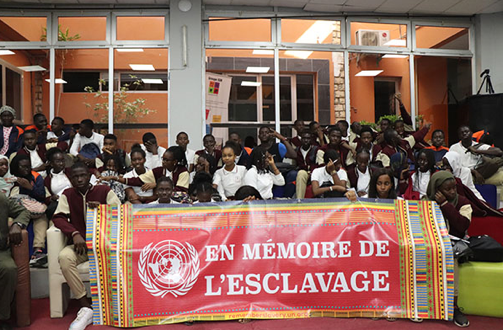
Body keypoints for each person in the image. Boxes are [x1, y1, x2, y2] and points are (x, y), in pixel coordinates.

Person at [52, 162, 121, 330]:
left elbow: (119, 213)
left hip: (105, 244)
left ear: (89, 176)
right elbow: (58, 217)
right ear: (70, 178)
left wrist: (102, 210)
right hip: (81, 247)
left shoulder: (104, 191)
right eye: (75, 177)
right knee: (64, 257)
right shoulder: (67, 195)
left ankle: (118, 304)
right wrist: (74, 234)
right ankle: (85, 306)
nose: (80, 179)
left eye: (83, 175)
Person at [425, 171, 470, 327]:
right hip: (431, 243)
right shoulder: (426, 202)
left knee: (451, 258)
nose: (452, 192)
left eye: (454, 188)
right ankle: (420, 303)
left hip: (455, 245)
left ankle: (454, 306)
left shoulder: (463, 202)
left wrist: (445, 205)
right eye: (447, 189)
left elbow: (462, 225)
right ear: (436, 190)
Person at [10, 154, 48, 265]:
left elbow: (42, 196)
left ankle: (38, 250)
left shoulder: (36, 177)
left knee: (42, 218)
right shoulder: (12, 178)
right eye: (23, 167)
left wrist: (30, 187)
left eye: (28, 166)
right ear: (17, 168)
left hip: (35, 209)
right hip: (17, 211)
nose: (26, 169)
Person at [0, 191, 30, 330]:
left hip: (1, 251)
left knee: (9, 269)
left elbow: (23, 211)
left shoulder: (1, 199)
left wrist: (17, 224)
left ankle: (3, 317)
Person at [119, 146, 190, 193]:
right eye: (163, 159)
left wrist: (157, 185)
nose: (163, 162)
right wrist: (117, 178)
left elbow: (180, 191)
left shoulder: (183, 172)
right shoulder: (159, 170)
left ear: (175, 161)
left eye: (166, 160)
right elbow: (138, 180)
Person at [44, 148, 73, 219]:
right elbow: (46, 198)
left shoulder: (70, 171)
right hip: (60, 203)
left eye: (62, 160)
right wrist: (52, 198)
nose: (61, 163)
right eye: (58, 161)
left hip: (73, 199)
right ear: (51, 163)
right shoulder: (47, 180)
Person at [294, 130, 319, 199]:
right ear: (301, 139)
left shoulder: (316, 149)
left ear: (311, 140)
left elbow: (319, 164)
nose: (306, 140)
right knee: (301, 173)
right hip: (302, 172)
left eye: (308, 138)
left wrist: (312, 172)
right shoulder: (297, 150)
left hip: (314, 172)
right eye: (304, 138)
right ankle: (299, 200)